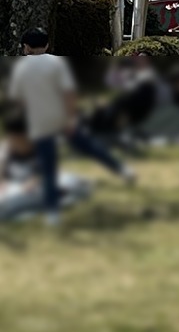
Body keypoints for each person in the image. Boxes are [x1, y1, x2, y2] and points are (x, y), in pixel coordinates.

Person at [7, 30, 134, 223]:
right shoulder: (57, 63)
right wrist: (71, 118)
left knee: (48, 167)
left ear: (26, 47)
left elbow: (19, 100)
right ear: (47, 45)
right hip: (61, 117)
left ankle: (52, 214)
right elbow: (68, 93)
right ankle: (122, 170)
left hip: (40, 122)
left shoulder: (21, 68)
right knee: (89, 146)